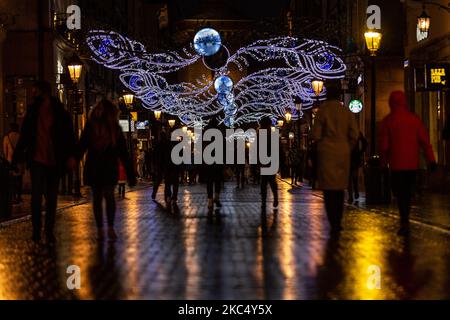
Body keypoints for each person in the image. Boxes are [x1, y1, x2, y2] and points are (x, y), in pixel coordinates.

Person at [12, 81, 76, 243]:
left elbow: (68, 136)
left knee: (51, 197)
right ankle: (36, 230)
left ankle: (48, 230)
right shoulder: (34, 111)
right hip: (37, 159)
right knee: (36, 196)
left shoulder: (59, 112)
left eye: (35, 90)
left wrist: (70, 155)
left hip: (54, 160)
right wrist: (16, 157)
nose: (33, 93)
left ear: (43, 92)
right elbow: (25, 135)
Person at [76, 99, 136, 241]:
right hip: (106, 168)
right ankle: (108, 228)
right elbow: (123, 153)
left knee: (99, 198)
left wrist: (74, 158)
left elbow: (82, 145)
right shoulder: (114, 129)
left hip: (96, 168)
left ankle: (102, 229)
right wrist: (130, 173)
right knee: (107, 196)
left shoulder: (93, 126)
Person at [379, 91, 437, 236]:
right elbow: (425, 142)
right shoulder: (414, 120)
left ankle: (404, 220)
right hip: (412, 164)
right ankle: (406, 219)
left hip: (396, 165)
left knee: (400, 193)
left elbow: (384, 146)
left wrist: (383, 162)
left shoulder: (388, 121)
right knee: (408, 192)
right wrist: (431, 160)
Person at [311, 80, 359, 233]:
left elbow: (315, 134)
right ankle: (338, 219)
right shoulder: (346, 111)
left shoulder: (322, 111)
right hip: (343, 151)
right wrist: (348, 146)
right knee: (340, 187)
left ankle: (332, 220)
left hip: (326, 151)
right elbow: (354, 134)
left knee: (328, 188)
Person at [203, 118, 224, 210]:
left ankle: (210, 201)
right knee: (218, 180)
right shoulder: (219, 132)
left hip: (208, 161)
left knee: (209, 181)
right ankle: (217, 197)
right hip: (218, 160)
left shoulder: (205, 132)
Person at [259, 116, 279, 210]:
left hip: (264, 161)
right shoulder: (272, 134)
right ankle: (275, 197)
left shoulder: (260, 135)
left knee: (264, 182)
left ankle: (263, 201)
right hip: (272, 161)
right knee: (272, 181)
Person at [3, 123, 23, 203]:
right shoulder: (20, 136)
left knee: (12, 180)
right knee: (19, 179)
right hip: (20, 161)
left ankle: (13, 196)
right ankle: (19, 196)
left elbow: (5, 151)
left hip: (10, 161)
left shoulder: (6, 137)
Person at [348, 132, 368, 203]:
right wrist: (361, 151)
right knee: (353, 176)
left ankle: (352, 194)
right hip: (354, 157)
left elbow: (364, 142)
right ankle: (354, 193)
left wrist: (361, 151)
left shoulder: (348, 132)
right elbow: (364, 142)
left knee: (351, 177)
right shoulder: (356, 131)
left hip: (350, 157)